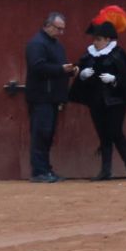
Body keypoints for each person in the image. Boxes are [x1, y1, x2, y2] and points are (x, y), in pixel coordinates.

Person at [67, 5, 126, 181]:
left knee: (116, 132)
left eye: (98, 39)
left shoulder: (118, 54)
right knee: (103, 134)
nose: (95, 42)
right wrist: (81, 74)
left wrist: (115, 80)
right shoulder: (90, 54)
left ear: (108, 40)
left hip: (116, 101)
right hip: (97, 101)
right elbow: (77, 68)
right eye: (95, 39)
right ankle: (106, 170)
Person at [25, 12, 77, 183]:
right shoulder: (37, 44)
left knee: (47, 135)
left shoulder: (55, 45)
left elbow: (55, 68)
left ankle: (45, 169)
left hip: (52, 96)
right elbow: (37, 67)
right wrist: (61, 70)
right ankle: (39, 171)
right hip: (41, 97)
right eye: (58, 29)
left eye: (62, 30)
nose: (60, 33)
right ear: (47, 25)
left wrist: (69, 71)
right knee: (41, 134)